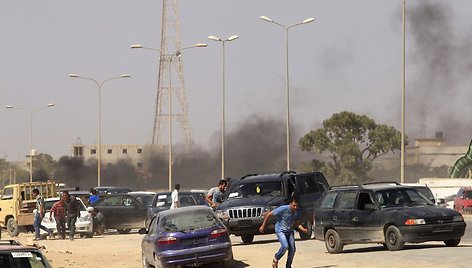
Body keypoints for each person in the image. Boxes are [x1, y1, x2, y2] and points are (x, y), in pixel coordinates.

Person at [259, 196, 308, 268]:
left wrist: (303, 229)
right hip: (280, 230)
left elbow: (297, 223)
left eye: (296, 206)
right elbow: (269, 214)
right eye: (293, 205)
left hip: (289, 231)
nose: (295, 207)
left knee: (292, 249)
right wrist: (263, 225)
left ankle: (288, 266)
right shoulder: (283, 208)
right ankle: (276, 258)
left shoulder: (297, 212)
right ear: (290, 204)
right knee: (285, 246)